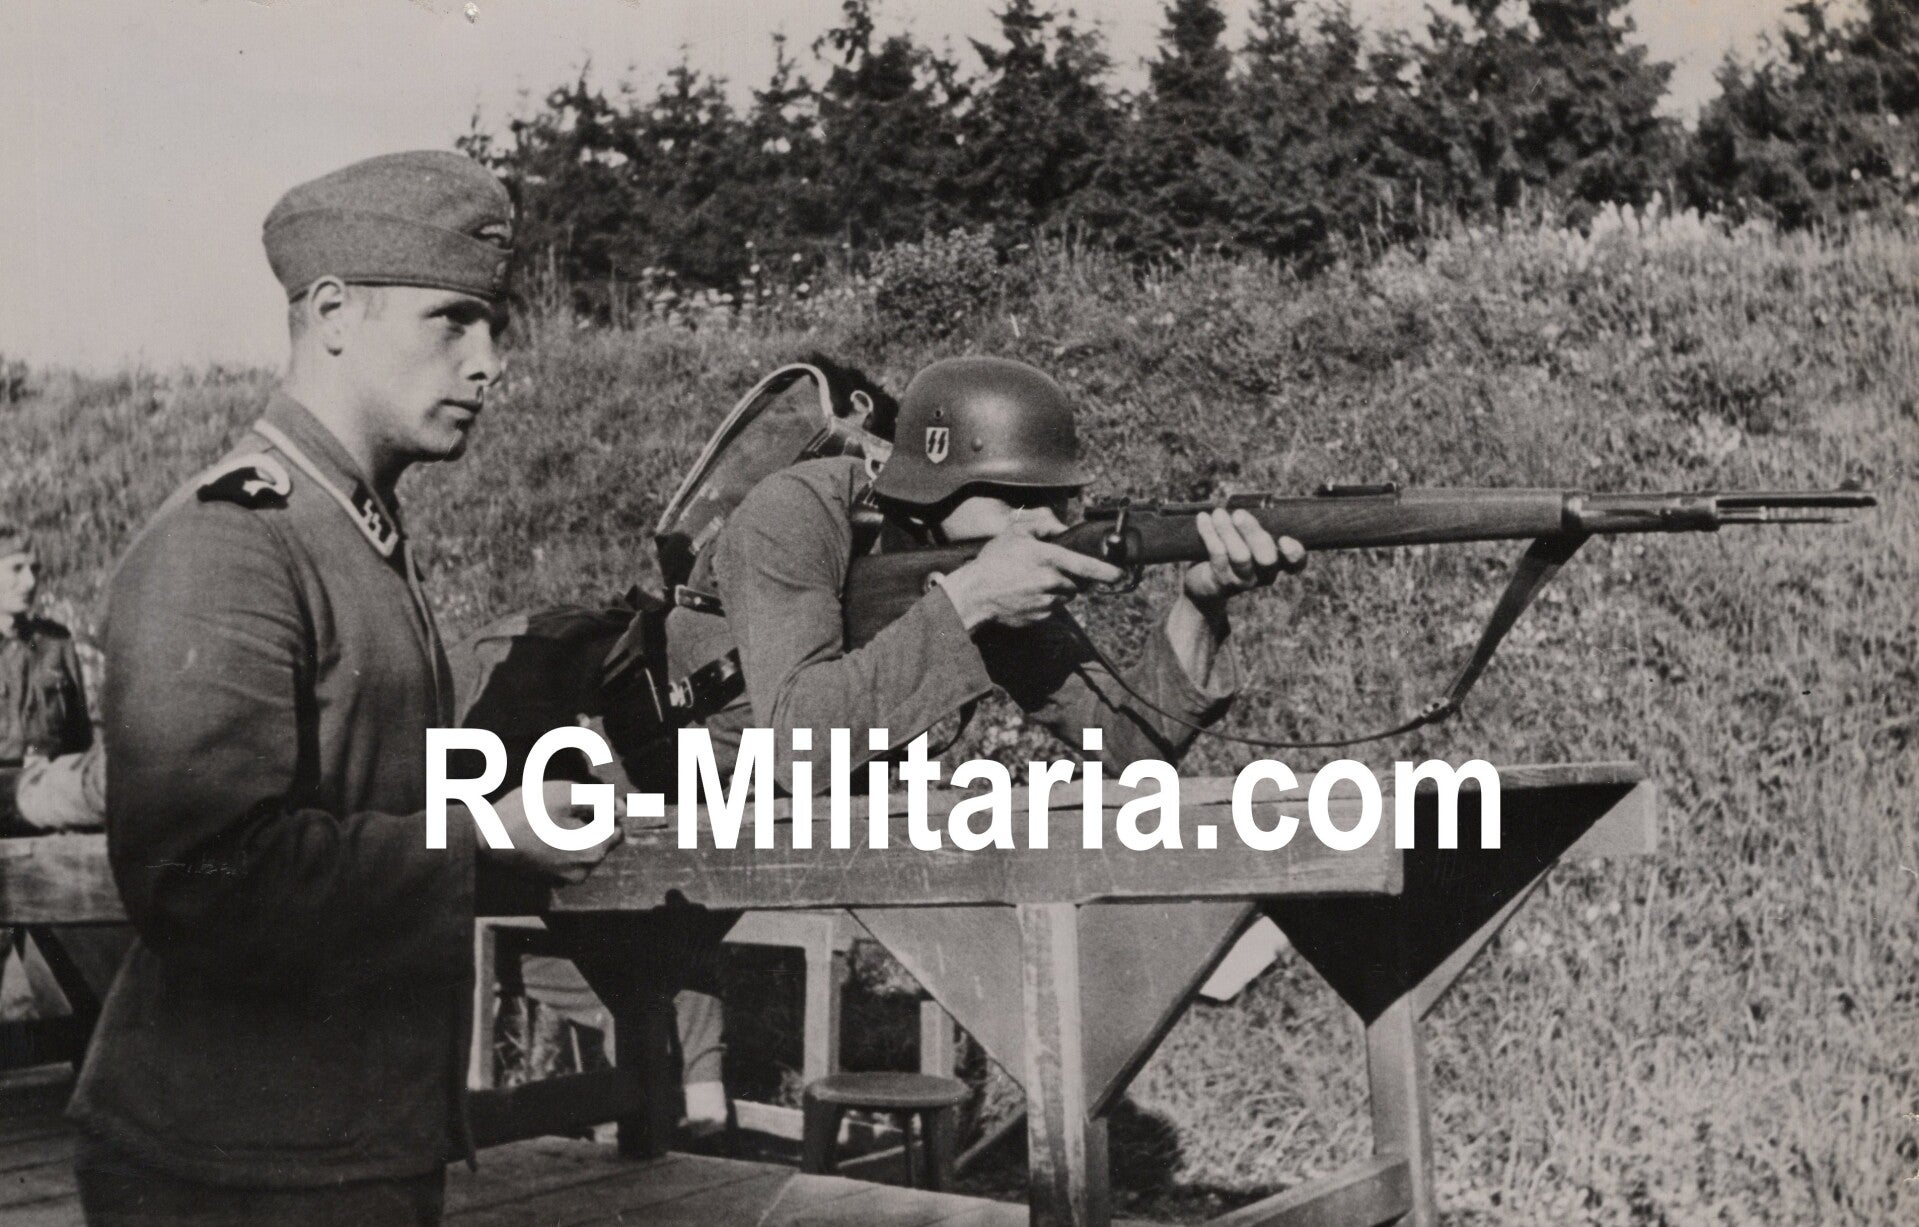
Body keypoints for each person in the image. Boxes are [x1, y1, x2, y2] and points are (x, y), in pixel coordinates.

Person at [68, 150, 615, 1227]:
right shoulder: (232, 543)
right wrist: (485, 835)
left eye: (492, 326)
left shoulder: (346, 533)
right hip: (233, 1167)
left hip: (337, 1145)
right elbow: (204, 877)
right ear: (329, 313)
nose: (489, 363)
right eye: (451, 322)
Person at [648, 355, 1305, 1115]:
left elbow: (1126, 749)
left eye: (1055, 498)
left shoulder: (985, 568)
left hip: (758, 825)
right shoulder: (796, 512)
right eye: (1019, 500)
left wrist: (1201, 606)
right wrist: (964, 604)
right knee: (624, 1006)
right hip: (632, 775)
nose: (1047, 525)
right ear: (934, 489)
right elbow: (800, 743)